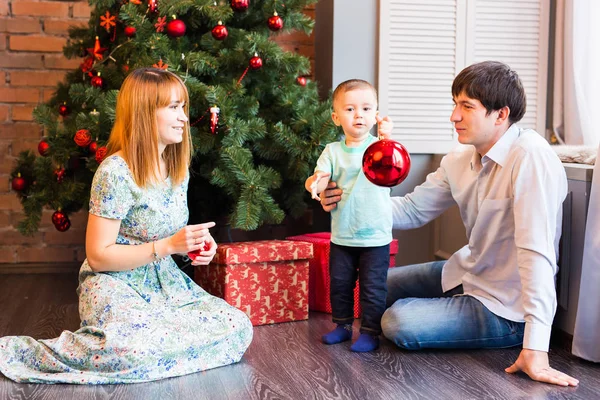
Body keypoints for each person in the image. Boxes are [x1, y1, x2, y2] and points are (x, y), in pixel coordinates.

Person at [318, 61, 579, 386]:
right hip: (466, 272)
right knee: (372, 287)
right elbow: (412, 209)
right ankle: (449, 311)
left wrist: (537, 347)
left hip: (505, 307)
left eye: (466, 107)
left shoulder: (531, 158)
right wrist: (347, 200)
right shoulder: (458, 159)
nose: (454, 116)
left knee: (397, 322)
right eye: (455, 104)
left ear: (501, 115)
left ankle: (473, 322)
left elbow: (537, 254)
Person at [0, 68, 253, 384]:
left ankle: (159, 343)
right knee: (132, 349)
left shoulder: (177, 168)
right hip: (113, 282)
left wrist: (194, 247)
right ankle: (25, 353)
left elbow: (171, 236)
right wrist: (167, 247)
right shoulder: (115, 173)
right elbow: (99, 256)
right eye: (173, 108)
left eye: (183, 107)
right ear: (146, 113)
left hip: (165, 282)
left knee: (238, 327)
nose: (184, 119)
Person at [305, 79, 394, 352]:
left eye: (367, 109)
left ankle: (369, 331)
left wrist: (387, 138)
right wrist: (315, 185)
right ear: (336, 117)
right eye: (350, 109)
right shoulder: (332, 151)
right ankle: (342, 326)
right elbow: (317, 178)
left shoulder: (378, 148)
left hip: (376, 236)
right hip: (342, 235)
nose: (359, 115)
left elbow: (392, 165)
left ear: (376, 114)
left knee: (372, 288)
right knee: (340, 284)